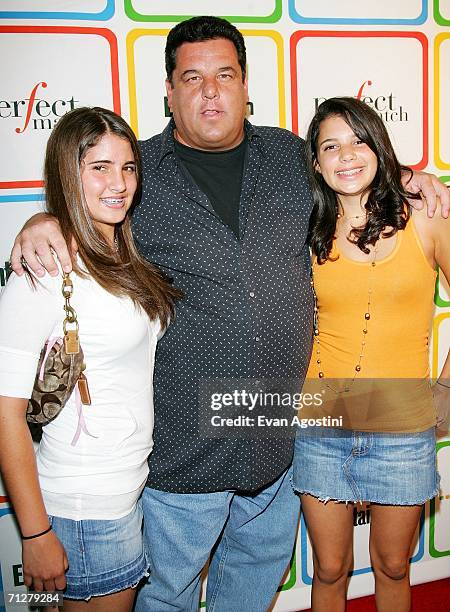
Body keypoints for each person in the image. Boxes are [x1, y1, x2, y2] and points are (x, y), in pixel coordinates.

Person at [8, 17, 450, 612]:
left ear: (246, 85)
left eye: (225, 75)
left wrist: (416, 178)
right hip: (185, 449)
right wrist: (44, 222)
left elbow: (356, 174)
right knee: (165, 596)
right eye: (192, 78)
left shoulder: (293, 157)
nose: (210, 91)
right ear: (169, 91)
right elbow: (87, 206)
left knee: (253, 588)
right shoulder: (136, 174)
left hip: (279, 442)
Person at [0, 107, 180, 611]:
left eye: (127, 167)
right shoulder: (42, 269)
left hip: (125, 493)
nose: (118, 183)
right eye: (99, 167)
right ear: (67, 172)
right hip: (83, 508)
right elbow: (5, 414)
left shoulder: (121, 251)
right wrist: (35, 534)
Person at [293, 96, 450, 612]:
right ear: (316, 163)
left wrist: (445, 392)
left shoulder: (427, 217)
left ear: (380, 148)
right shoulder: (306, 229)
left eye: (360, 141)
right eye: (331, 146)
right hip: (322, 421)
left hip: (402, 426)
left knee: (394, 566)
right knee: (331, 569)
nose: (348, 155)